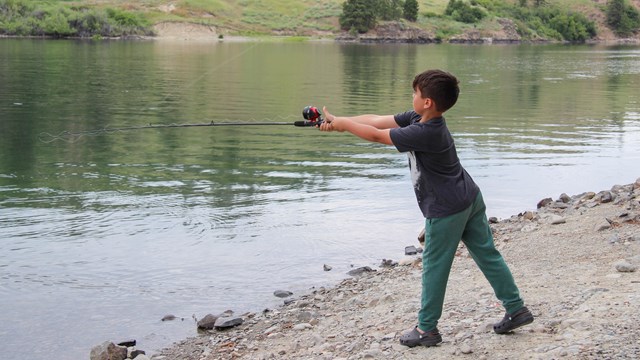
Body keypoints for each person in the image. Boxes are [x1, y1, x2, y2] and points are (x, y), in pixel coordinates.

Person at [318, 69, 533, 347]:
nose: (413, 97)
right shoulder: (418, 118)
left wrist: (346, 125)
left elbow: (376, 136)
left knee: (434, 266)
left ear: (428, 101)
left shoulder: (425, 132)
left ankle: (426, 329)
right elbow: (376, 120)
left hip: (447, 209)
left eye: (416, 93)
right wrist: (339, 121)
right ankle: (516, 309)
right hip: (469, 198)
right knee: (487, 254)